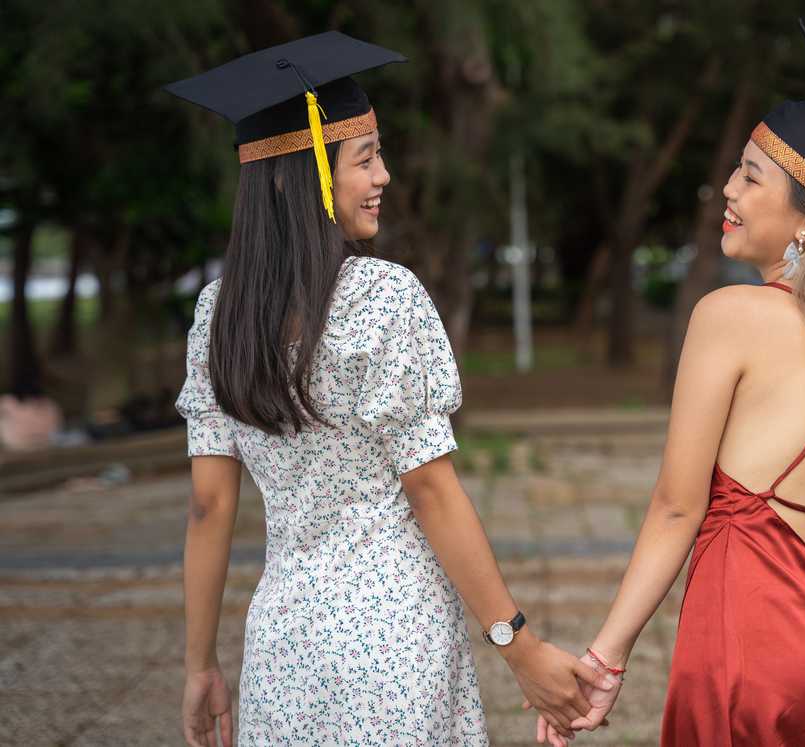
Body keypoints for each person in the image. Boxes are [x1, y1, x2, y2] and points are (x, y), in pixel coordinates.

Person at [165, 32, 613, 747]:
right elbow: (432, 490)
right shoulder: (384, 297)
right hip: (395, 638)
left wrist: (199, 664)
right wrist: (520, 648)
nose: (386, 176)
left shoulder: (216, 317)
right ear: (295, 176)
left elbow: (207, 503)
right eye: (366, 157)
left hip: (285, 647)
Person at [534, 20, 805, 747]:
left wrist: (605, 656)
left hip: (749, 651)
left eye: (750, 177)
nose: (725, 189)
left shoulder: (729, 316)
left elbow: (675, 508)